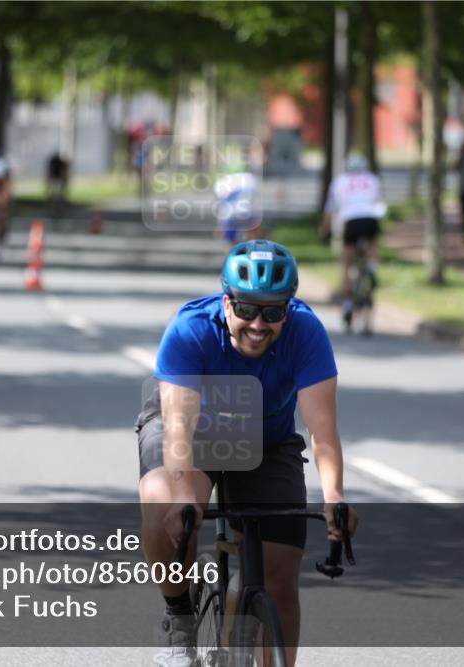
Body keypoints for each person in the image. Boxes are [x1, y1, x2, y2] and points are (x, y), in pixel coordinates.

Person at [137, 240, 359, 666]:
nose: (259, 324)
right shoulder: (190, 328)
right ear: (226, 302)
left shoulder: (306, 332)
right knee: (165, 499)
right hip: (193, 430)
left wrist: (334, 495)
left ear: (288, 310)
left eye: (274, 312)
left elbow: (323, 432)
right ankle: (177, 617)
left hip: (265, 439)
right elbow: (179, 426)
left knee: (279, 578)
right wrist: (184, 493)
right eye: (247, 310)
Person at [321, 152, 384, 329]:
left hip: (351, 220)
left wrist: (324, 231)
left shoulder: (339, 182)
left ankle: (348, 304)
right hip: (370, 218)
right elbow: (380, 204)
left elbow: (330, 210)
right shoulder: (372, 179)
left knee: (347, 264)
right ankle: (372, 268)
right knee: (372, 243)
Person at [213, 163, 260, 244]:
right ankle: (255, 249)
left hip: (231, 213)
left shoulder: (222, 181)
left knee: (230, 241)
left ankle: (232, 252)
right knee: (253, 236)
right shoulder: (251, 178)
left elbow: (221, 204)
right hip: (248, 211)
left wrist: (220, 225)